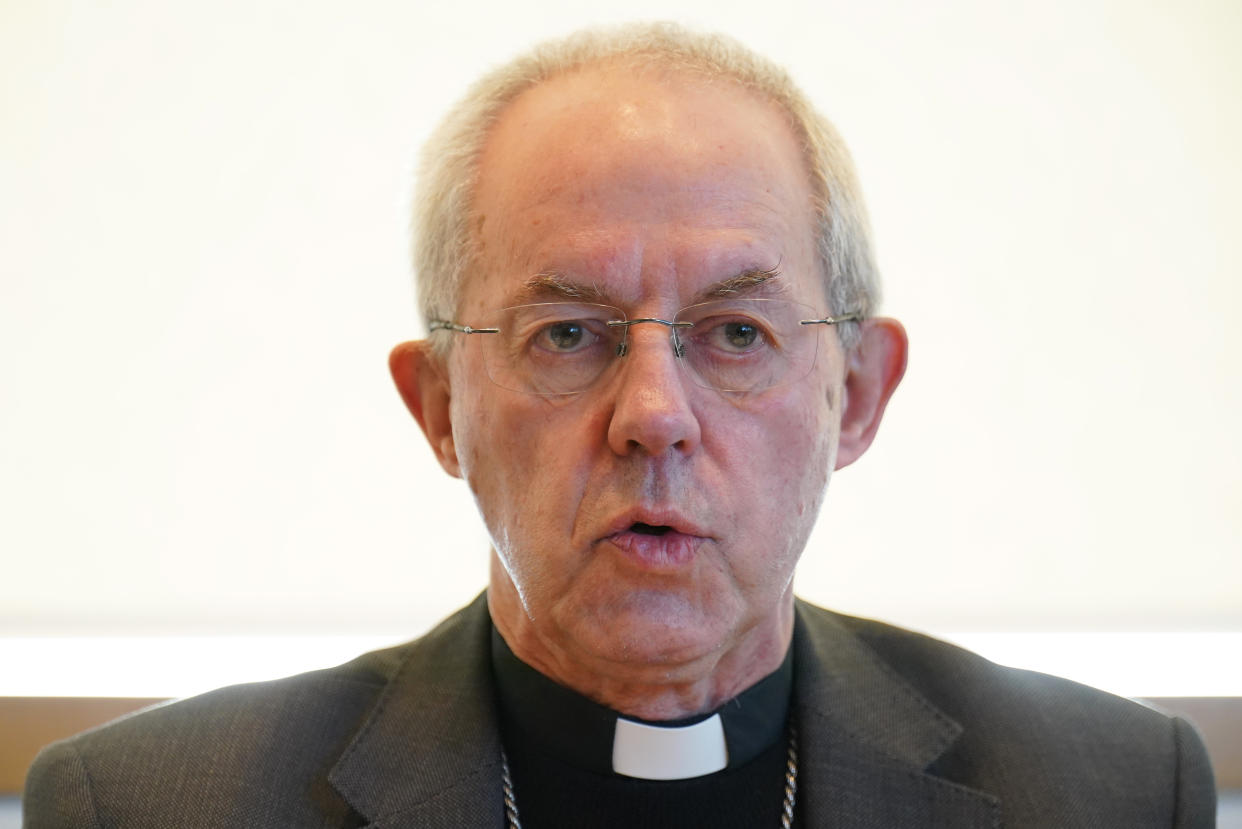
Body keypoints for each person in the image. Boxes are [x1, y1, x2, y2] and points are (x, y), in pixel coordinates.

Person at [24, 22, 1216, 828]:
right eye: (569, 334)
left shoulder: (1105, 793)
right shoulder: (149, 806)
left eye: (736, 333)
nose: (653, 417)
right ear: (439, 408)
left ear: (857, 394)